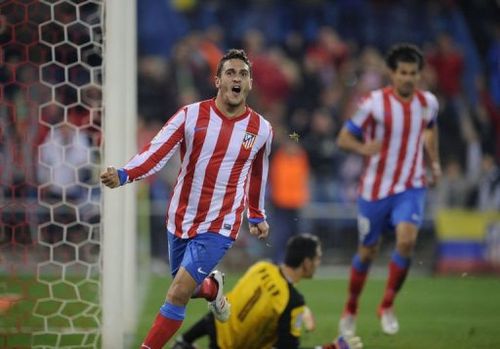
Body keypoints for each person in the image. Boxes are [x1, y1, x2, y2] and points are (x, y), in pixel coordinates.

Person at [100, 49, 273, 349]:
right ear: (217, 80)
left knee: (178, 292)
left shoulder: (261, 130)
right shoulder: (191, 115)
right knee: (188, 288)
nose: (236, 78)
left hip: (221, 224)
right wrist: (126, 173)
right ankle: (212, 288)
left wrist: (256, 215)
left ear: (250, 84)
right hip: (181, 217)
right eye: (230, 73)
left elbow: (257, 174)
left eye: (243, 74)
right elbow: (157, 150)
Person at [336, 43, 441, 336]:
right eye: (403, 73)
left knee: (406, 241)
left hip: (411, 185)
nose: (408, 78)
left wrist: (434, 163)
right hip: (374, 190)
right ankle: (351, 308)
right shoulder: (372, 104)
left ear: (419, 75)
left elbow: (431, 128)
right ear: (392, 74)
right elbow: (343, 138)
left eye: (413, 73)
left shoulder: (428, 103)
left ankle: (387, 304)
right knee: (368, 252)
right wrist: (363, 147)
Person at [171, 234, 362, 349]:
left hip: (217, 332)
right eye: (318, 258)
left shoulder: (261, 267)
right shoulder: (293, 301)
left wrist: (186, 339)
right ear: (306, 262)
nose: (319, 263)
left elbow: (229, 305)